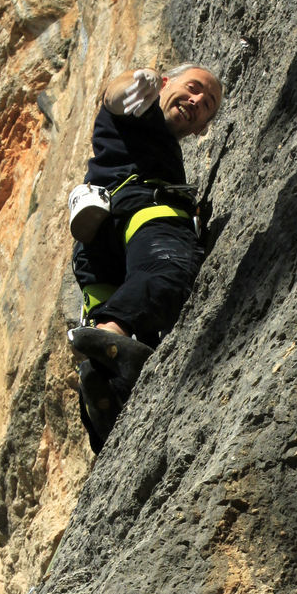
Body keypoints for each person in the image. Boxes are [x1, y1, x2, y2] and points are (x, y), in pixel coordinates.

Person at [68, 63, 223, 452]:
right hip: (144, 210)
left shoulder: (139, 138)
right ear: (167, 84)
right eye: (193, 88)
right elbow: (116, 94)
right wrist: (144, 78)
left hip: (98, 245)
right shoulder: (139, 108)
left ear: (201, 130)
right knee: (167, 269)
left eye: (207, 105)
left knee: (106, 330)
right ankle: (111, 336)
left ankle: (104, 402)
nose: (197, 101)